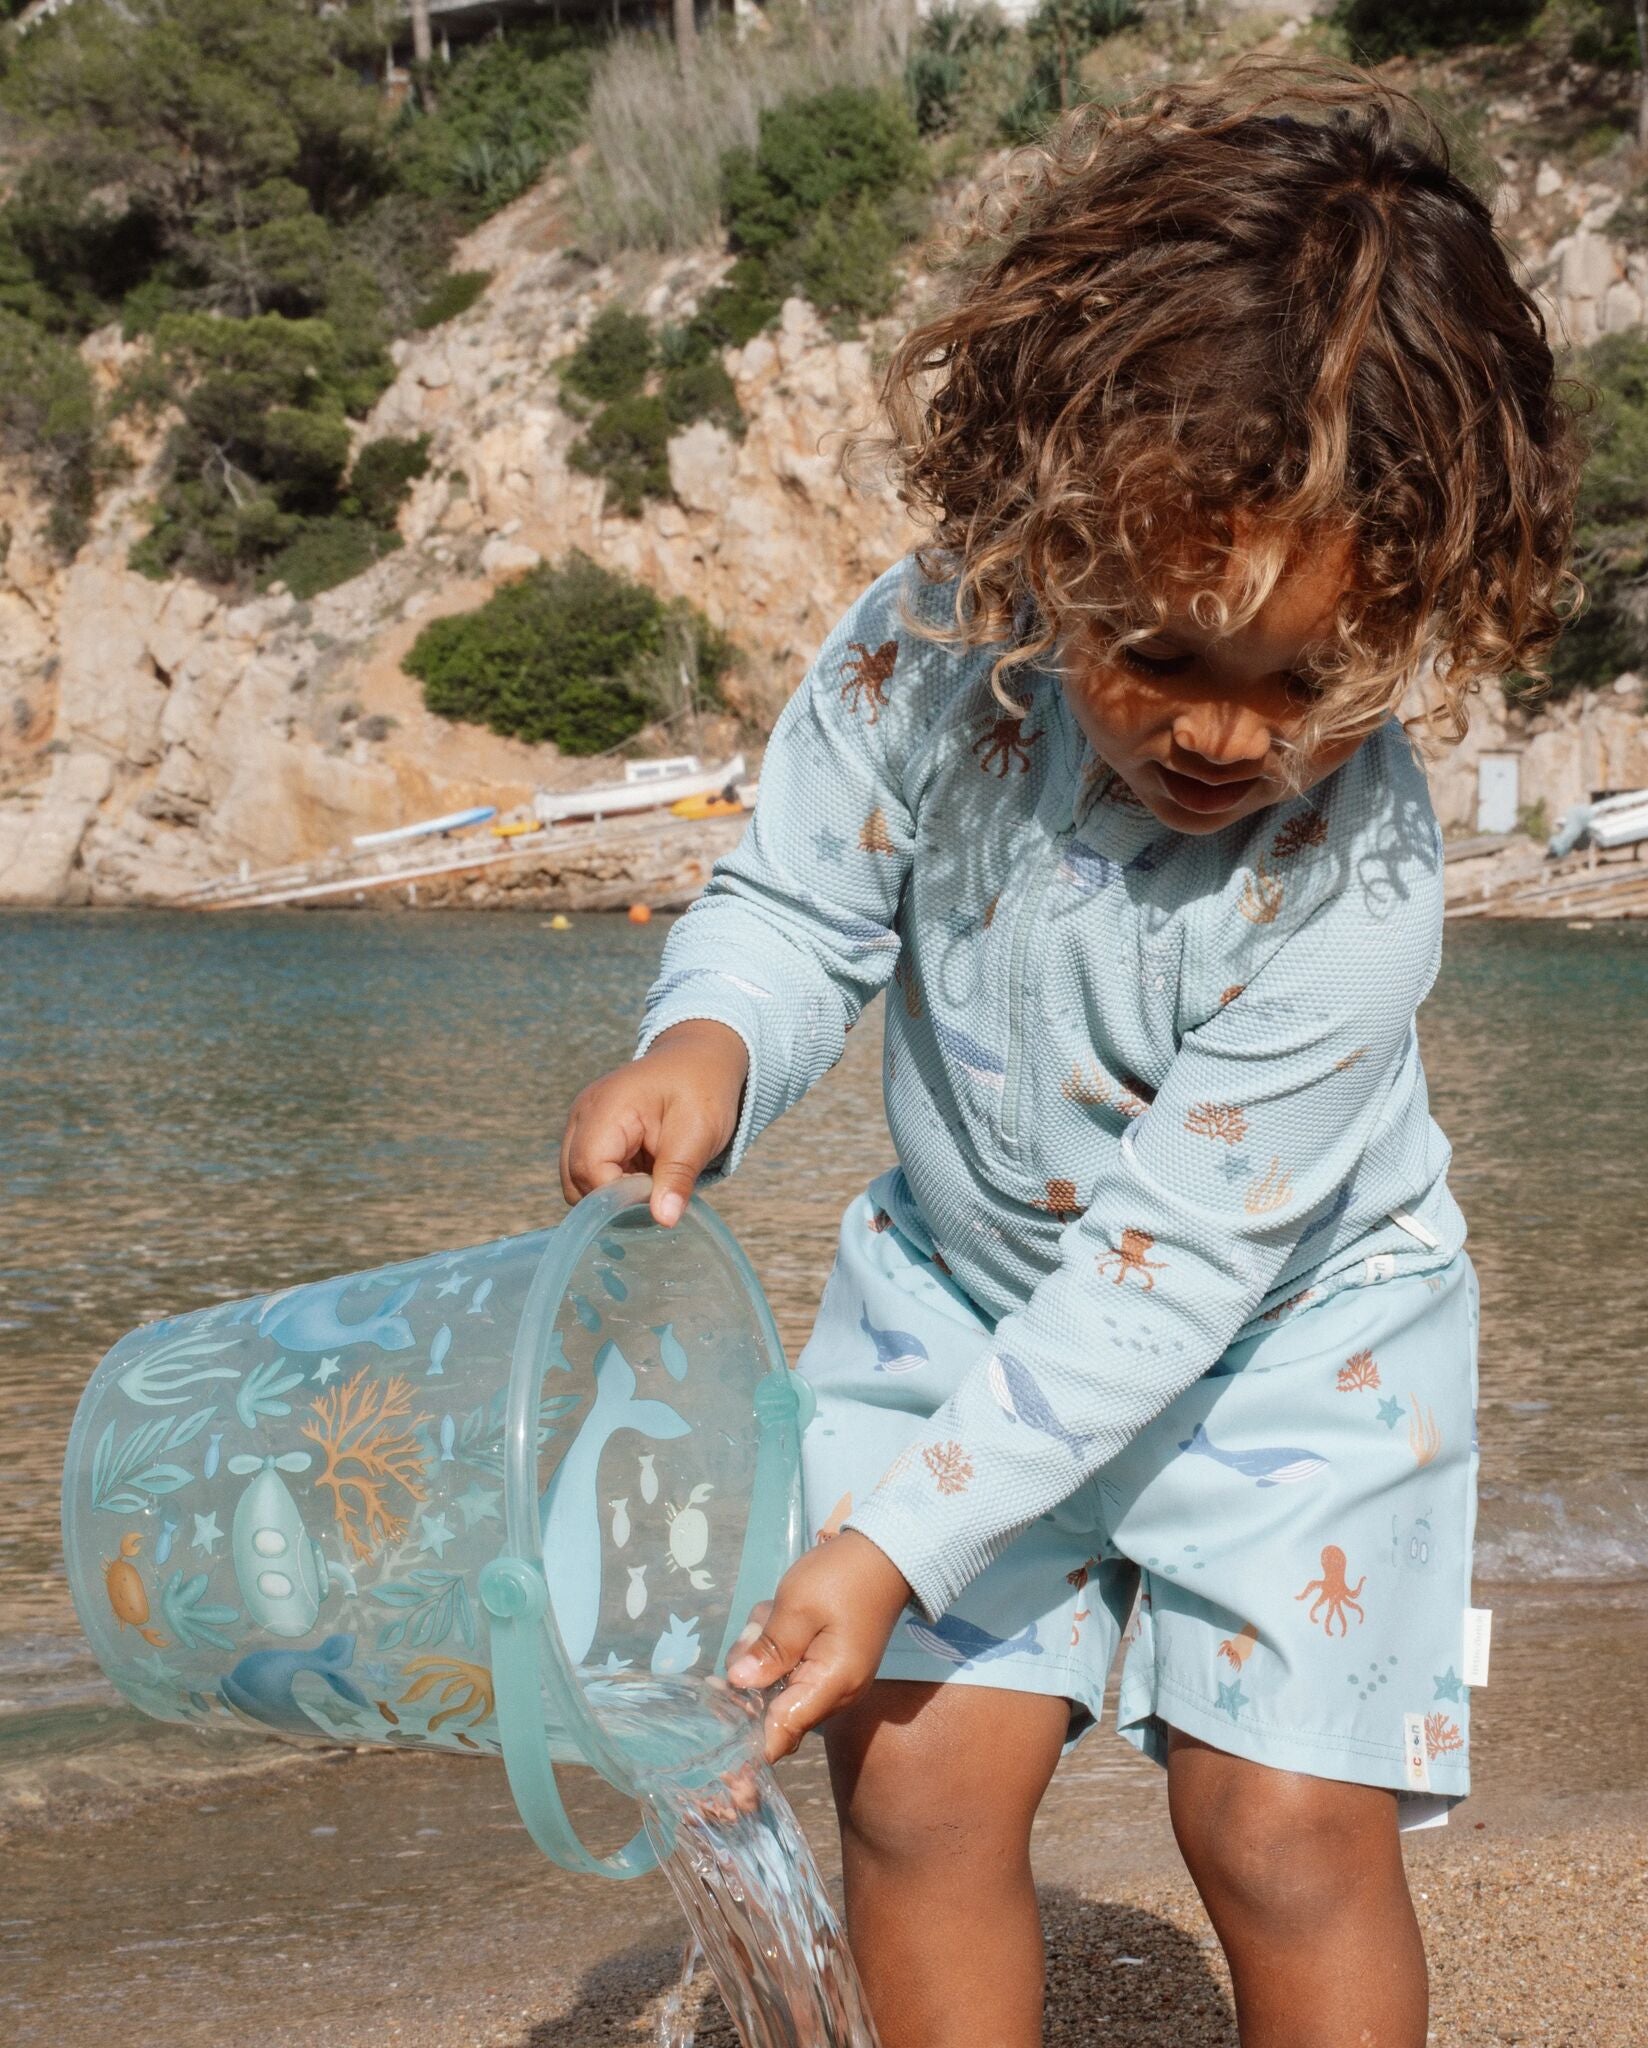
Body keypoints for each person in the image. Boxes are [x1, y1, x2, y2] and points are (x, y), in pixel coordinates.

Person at [561, 54, 1578, 2048]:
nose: (1226, 733)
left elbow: (1170, 1273)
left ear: (1425, 612)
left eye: (1308, 679)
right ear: (1044, 515)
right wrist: (704, 1044)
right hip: (959, 1306)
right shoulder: (925, 659)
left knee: (1280, 1822)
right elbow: (793, 910)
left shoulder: (1352, 875)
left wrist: (883, 1537)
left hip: (1295, 1350)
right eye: (1165, 651)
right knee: (918, 1771)